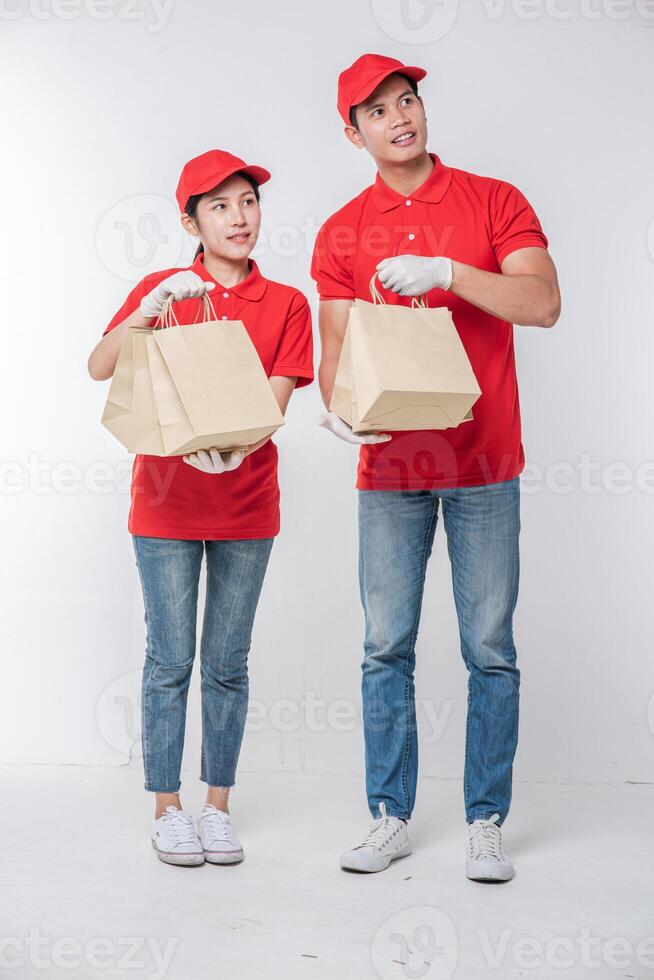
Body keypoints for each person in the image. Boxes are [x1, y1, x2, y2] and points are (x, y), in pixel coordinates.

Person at [311, 54, 560, 881]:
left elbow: (543, 303)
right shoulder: (341, 231)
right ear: (354, 133)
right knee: (386, 645)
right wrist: (340, 408)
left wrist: (451, 274)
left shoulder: (494, 200)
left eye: (407, 101)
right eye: (377, 112)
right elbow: (336, 348)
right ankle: (389, 817)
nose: (400, 118)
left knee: (489, 647)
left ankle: (485, 820)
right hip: (390, 470)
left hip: (485, 460)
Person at [88, 149, 314, 867]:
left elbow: (272, 405)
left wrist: (239, 449)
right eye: (219, 206)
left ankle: (218, 807)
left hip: (248, 503)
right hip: (164, 505)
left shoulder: (287, 304)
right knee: (168, 659)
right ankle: (167, 808)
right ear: (191, 220)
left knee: (226, 663)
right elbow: (98, 365)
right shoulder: (164, 287)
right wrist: (145, 317)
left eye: (247, 202)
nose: (239, 218)